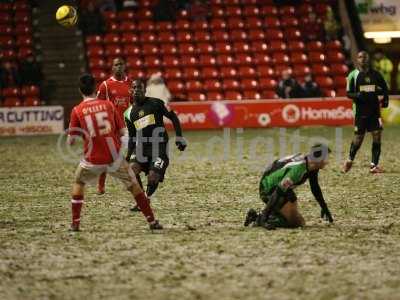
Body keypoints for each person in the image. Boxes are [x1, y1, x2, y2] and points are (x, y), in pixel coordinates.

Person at [67, 74, 163, 231]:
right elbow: (123, 132)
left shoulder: (77, 110)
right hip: (114, 157)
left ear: (80, 90)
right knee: (134, 187)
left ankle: (75, 223)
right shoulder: (108, 105)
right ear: (95, 88)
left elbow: (70, 141)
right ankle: (152, 222)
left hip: (92, 159)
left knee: (79, 183)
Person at [125, 79, 187, 211]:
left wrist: (179, 137)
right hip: (141, 147)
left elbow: (173, 117)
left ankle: (146, 198)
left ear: (145, 90)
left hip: (159, 147)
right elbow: (132, 136)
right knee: (132, 169)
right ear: (131, 90)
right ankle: (142, 200)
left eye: (140, 88)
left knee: (153, 176)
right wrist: (128, 154)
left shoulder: (156, 103)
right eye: (134, 88)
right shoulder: (128, 113)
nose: (137, 90)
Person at [244, 144, 333, 230]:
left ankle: (267, 215)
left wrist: (324, 207)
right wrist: (264, 217)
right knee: (295, 223)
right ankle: (258, 218)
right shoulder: (298, 170)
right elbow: (278, 191)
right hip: (268, 190)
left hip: (278, 188)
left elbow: (315, 187)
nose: (327, 162)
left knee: (298, 220)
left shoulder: (310, 164)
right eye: (325, 159)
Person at [343, 51, 389, 174]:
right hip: (360, 110)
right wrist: (358, 94)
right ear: (357, 60)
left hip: (374, 110)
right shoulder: (353, 75)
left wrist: (386, 101)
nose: (362, 59)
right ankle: (350, 159)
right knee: (359, 138)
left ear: (368, 59)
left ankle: (374, 165)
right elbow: (348, 93)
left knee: (377, 135)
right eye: (360, 57)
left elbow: (384, 88)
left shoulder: (376, 74)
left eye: (365, 57)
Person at [96, 57, 131, 194]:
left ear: (124, 66)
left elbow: (134, 103)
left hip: (128, 126)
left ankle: (132, 182)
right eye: (116, 64)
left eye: (121, 64)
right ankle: (101, 185)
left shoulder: (131, 83)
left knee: (134, 155)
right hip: (112, 127)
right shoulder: (105, 85)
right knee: (107, 157)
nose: (119, 67)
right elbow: (98, 105)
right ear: (112, 67)